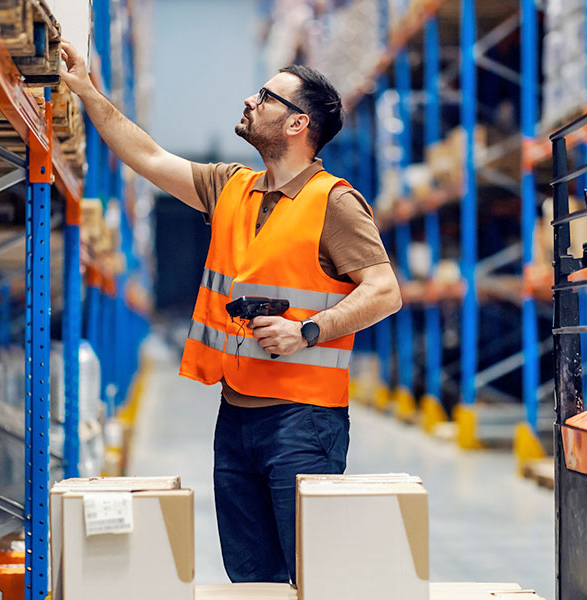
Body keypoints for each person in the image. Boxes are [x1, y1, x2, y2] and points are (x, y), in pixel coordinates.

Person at [60, 41, 402, 584]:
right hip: (236, 419)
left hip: (304, 424)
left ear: (298, 124)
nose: (250, 100)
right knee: (251, 580)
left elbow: (384, 291)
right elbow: (147, 156)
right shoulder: (231, 188)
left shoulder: (334, 203)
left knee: (314, 580)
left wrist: (307, 330)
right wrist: (87, 92)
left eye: (266, 97)